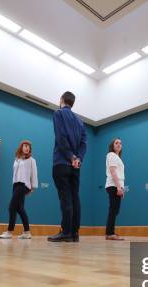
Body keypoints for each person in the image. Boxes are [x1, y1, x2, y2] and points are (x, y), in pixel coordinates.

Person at [48, 91, 87, 242]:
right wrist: (78, 159)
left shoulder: (58, 114)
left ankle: (65, 232)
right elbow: (84, 143)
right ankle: (75, 233)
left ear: (62, 100)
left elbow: (61, 137)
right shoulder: (80, 121)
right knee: (75, 197)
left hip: (62, 162)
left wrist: (70, 156)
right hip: (76, 166)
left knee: (65, 198)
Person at [0, 140, 38, 240]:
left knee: (12, 207)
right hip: (16, 185)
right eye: (25, 146)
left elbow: (34, 174)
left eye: (28, 146)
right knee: (20, 209)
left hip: (24, 185)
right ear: (21, 147)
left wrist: (33, 187)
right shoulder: (17, 159)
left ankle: (9, 231)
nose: (27, 148)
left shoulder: (31, 160)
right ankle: (27, 232)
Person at [105, 138, 125, 240]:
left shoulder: (117, 157)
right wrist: (118, 187)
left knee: (115, 210)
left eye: (120, 143)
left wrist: (121, 187)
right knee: (113, 210)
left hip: (116, 185)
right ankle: (109, 233)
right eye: (116, 143)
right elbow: (113, 172)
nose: (119, 144)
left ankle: (110, 232)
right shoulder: (112, 155)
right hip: (113, 185)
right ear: (112, 146)